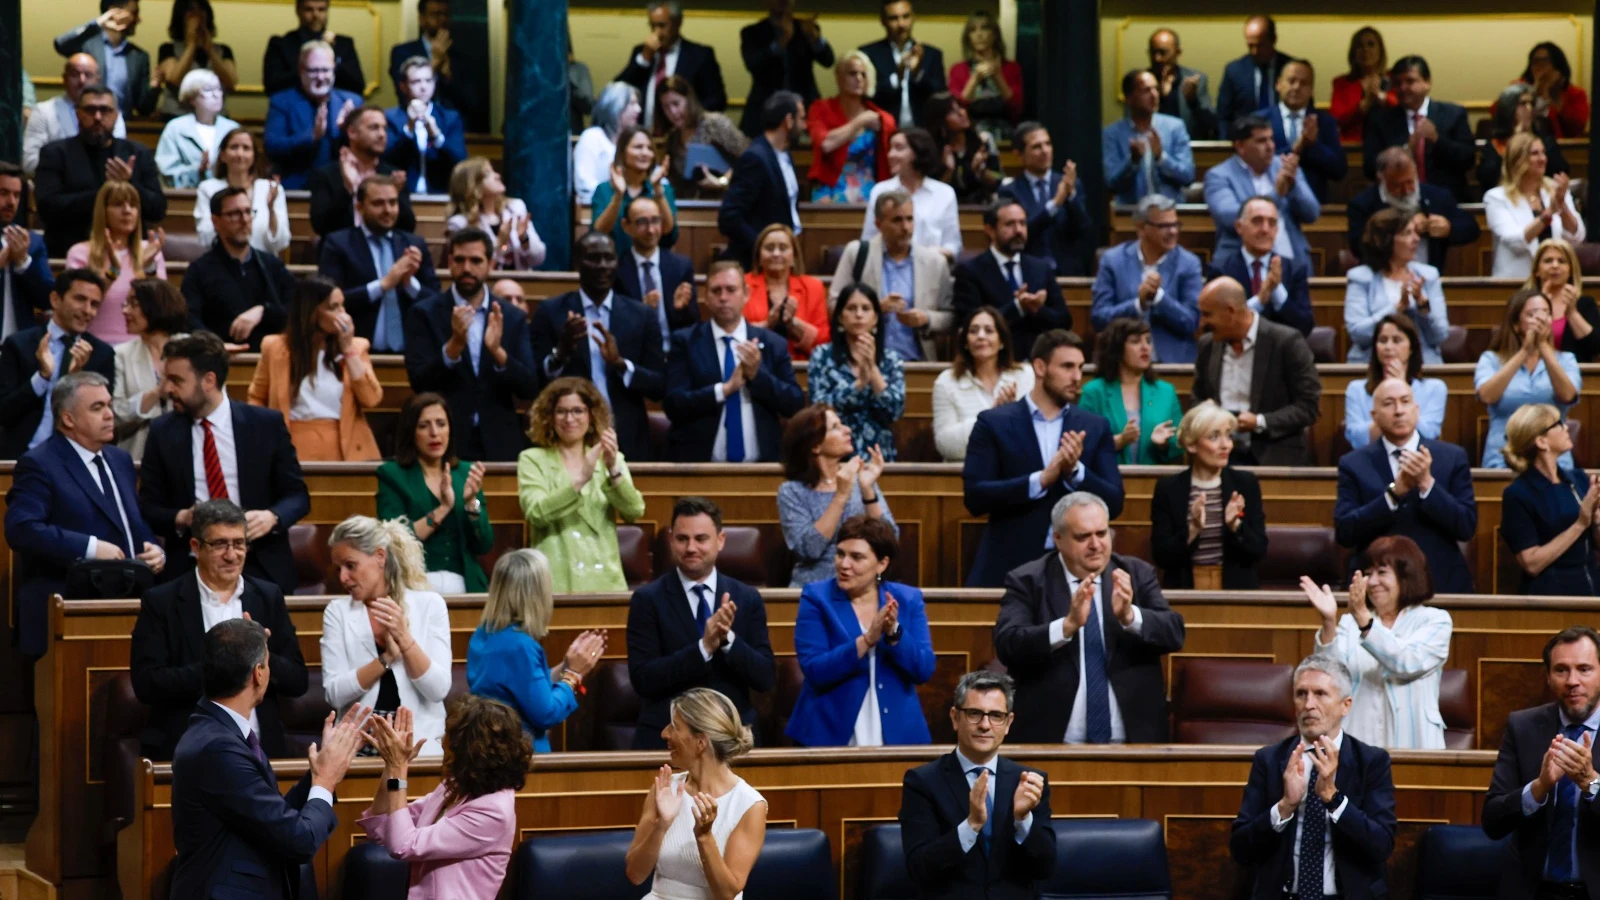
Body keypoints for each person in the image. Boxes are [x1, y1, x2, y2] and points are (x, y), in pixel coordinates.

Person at [167, 619, 368, 899]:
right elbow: (299, 840)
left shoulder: (218, 733)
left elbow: (269, 819)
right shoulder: (218, 747)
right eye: (268, 662)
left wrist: (319, 773)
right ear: (258, 674)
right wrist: (325, 781)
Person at [992, 492, 1186, 742]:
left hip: (1134, 741)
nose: (1096, 545)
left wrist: (1130, 616)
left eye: (1102, 533)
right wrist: (1066, 626)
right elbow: (1008, 644)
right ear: (1058, 539)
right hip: (1049, 743)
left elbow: (1174, 633)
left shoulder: (1136, 574)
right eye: (1083, 537)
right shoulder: (1028, 580)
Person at [129, 499, 306, 761]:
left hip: (259, 750)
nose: (231, 555)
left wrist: (261, 657)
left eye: (239, 543)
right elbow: (147, 683)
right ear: (195, 547)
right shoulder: (162, 601)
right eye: (220, 544)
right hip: (187, 749)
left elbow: (297, 680)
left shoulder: (268, 597)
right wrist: (224, 666)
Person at [4, 370, 162, 656]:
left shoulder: (120, 459)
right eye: (97, 407)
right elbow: (22, 529)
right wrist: (89, 547)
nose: (110, 414)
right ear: (68, 419)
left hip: (126, 604)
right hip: (67, 608)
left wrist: (153, 549)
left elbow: (131, 521)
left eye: (109, 405)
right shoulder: (39, 463)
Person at [140, 331, 310, 595]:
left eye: (176, 380)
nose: (167, 389)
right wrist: (182, 517)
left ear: (209, 380)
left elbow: (298, 496)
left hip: (260, 563)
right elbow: (148, 508)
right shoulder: (162, 432)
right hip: (191, 567)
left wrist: (272, 517)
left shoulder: (265, 424)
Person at [962, 330, 1123, 588]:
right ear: (1040, 367)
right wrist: (1040, 480)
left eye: (1080, 367)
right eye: (1067, 367)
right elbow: (975, 496)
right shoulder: (994, 422)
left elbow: (1115, 502)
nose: (1077, 377)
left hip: (1079, 571)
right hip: (1010, 565)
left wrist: (1076, 472)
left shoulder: (1094, 426)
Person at [1229, 656, 1397, 900]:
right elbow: (1241, 849)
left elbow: (1381, 845)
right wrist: (1284, 807)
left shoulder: (1371, 762)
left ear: (1345, 705)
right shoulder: (1270, 760)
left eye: (1320, 694)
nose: (1309, 704)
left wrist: (1333, 798)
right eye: (1301, 694)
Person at [627, 497, 776, 749]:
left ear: (721, 540)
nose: (691, 547)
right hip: (668, 737)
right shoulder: (647, 600)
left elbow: (765, 677)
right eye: (682, 539)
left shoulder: (746, 598)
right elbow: (644, 679)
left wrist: (727, 640)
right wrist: (704, 647)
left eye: (701, 539)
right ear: (671, 540)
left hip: (731, 739)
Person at [899, 670, 1055, 899]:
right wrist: (971, 825)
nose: (985, 725)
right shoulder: (923, 782)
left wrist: (1023, 820)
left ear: (1008, 722)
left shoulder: (1029, 781)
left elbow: (1046, 868)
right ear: (955, 717)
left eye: (995, 715)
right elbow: (919, 868)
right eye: (974, 714)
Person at [787, 514, 932, 746]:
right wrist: (867, 640)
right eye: (841, 554)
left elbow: (923, 669)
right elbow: (815, 669)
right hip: (830, 729)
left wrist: (894, 631)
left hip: (897, 732)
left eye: (857, 557)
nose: (844, 564)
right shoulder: (817, 598)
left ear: (882, 564)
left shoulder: (908, 599)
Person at [358, 700, 525, 898]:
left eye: (451, 738)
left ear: (470, 750)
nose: (444, 742)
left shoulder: (493, 812)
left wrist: (398, 768)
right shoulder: (455, 787)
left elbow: (403, 845)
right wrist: (391, 766)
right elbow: (383, 821)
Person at [1300, 536, 1452, 749]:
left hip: (1416, 746)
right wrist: (1328, 623)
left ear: (1406, 576)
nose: (1372, 582)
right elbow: (1331, 677)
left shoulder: (1434, 621)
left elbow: (1406, 662)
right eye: (1368, 573)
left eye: (1382, 572)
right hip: (1360, 744)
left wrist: (1364, 620)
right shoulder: (1349, 623)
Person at [404, 228, 539, 462]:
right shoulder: (424, 313)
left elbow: (529, 387)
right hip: (446, 443)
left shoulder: (511, 316)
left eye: (476, 260)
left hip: (500, 441)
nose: (467, 268)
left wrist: (498, 353)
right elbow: (419, 382)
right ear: (449, 262)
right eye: (459, 260)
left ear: (491, 264)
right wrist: (453, 348)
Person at [1483, 626, 1600, 895]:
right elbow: (1492, 822)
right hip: (1533, 891)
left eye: (1584, 669)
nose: (1572, 680)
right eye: (1561, 670)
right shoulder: (1522, 726)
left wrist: (1590, 783)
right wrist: (1538, 788)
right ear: (1548, 677)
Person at [322, 515, 452, 755]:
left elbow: (438, 690)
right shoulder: (337, 612)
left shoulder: (429, 605)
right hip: (356, 746)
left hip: (418, 745)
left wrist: (404, 639)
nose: (342, 578)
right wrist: (386, 659)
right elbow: (334, 693)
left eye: (351, 565)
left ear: (380, 557)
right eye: (339, 568)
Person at [1335, 376, 1477, 594]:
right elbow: (1345, 532)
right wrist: (1393, 495)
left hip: (1440, 581)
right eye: (1388, 403)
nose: (1399, 410)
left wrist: (1427, 484)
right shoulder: (1353, 464)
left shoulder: (1451, 457)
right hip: (1377, 586)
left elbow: (1466, 526)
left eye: (1405, 401)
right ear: (1374, 416)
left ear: (1417, 409)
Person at [531, 231, 665, 462]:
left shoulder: (641, 316)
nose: (603, 265)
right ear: (577, 263)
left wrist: (620, 364)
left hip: (627, 438)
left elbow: (658, 386)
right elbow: (534, 382)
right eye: (594, 258)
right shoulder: (551, 312)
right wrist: (561, 353)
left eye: (609, 258)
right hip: (566, 439)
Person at [622, 688, 768, 899]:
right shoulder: (664, 789)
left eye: (675, 727)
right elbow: (635, 875)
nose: (664, 733)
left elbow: (727, 894)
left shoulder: (749, 805)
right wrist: (661, 825)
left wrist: (705, 837)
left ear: (700, 742)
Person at [664, 261, 806, 463]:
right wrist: (724, 389)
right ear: (707, 297)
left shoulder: (772, 343)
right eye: (716, 291)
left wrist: (758, 375)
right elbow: (673, 405)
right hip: (698, 466)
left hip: (762, 468)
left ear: (746, 294)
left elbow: (795, 404)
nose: (723, 298)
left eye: (731, 290)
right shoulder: (685, 342)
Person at [517, 377, 646, 593]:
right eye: (561, 411)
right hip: (556, 580)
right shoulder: (532, 459)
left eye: (578, 411)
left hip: (605, 581)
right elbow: (536, 513)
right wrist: (581, 479)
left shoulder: (612, 458)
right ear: (549, 417)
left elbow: (634, 511)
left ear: (591, 416)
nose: (570, 419)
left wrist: (613, 469)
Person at [467, 550, 606, 750]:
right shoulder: (520, 646)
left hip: (491, 752)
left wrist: (566, 665)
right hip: (519, 757)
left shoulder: (484, 634)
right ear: (536, 595)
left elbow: (522, 688)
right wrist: (573, 676)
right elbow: (546, 713)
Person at [247, 276, 381, 462]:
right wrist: (265, 438)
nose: (343, 315)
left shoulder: (357, 348)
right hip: (291, 446)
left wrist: (348, 349)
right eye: (333, 307)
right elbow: (256, 398)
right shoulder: (275, 348)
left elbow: (371, 399)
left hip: (346, 449)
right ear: (310, 312)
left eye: (343, 306)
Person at [1193, 277, 1322, 467]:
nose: (1202, 323)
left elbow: (1309, 406)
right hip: (1219, 455)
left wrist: (1260, 422)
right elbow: (1198, 398)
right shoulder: (1207, 345)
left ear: (1230, 312)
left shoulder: (1286, 342)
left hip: (1273, 454)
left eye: (1207, 315)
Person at [377, 392, 494, 594]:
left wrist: (470, 502)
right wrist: (443, 509)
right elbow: (394, 542)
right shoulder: (392, 475)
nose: (434, 433)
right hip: (414, 585)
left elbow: (483, 544)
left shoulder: (466, 473)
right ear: (411, 432)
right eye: (424, 426)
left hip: (465, 583)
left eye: (441, 424)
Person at [34, 84, 167, 259]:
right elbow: (47, 207)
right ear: (77, 114)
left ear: (116, 115)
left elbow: (157, 209)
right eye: (90, 110)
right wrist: (105, 192)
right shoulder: (55, 153)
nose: (97, 117)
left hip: (129, 256)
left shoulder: (138, 154)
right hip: (70, 252)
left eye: (105, 110)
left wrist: (129, 184)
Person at [0, 270, 116, 460]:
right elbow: (4, 412)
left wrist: (77, 379)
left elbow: (104, 422)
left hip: (75, 461)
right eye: (80, 299)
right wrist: (42, 377)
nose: (88, 310)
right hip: (21, 458)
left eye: (94, 304)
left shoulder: (101, 354)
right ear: (55, 299)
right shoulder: (19, 344)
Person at [1150, 401, 1266, 590]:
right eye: (1214, 437)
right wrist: (1193, 529)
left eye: (1228, 436)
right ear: (1192, 444)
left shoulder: (1245, 484)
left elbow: (1259, 550)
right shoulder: (1168, 488)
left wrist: (1235, 525)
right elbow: (1162, 557)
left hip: (1236, 591)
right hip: (1186, 589)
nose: (1225, 445)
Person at [778, 405, 896, 586]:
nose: (847, 430)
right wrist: (840, 496)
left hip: (863, 585)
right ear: (815, 445)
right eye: (835, 427)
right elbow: (810, 549)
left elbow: (890, 540)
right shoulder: (792, 492)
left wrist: (867, 489)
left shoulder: (861, 480)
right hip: (813, 587)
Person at [318, 175, 439, 352]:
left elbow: (436, 302)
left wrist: (409, 284)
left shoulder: (414, 244)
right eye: (378, 203)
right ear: (359, 207)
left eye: (393, 203)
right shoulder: (338, 244)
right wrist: (382, 285)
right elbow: (328, 301)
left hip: (411, 354)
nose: (388, 210)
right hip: (354, 349)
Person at [828, 190, 953, 362]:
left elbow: (951, 316)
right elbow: (834, 306)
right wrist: (873, 309)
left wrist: (926, 318)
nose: (906, 228)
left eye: (910, 219)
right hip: (864, 360)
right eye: (897, 220)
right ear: (879, 224)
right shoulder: (856, 253)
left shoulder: (935, 263)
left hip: (917, 361)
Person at [952, 198, 1070, 364]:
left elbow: (1064, 320)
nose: (1019, 230)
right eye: (1010, 224)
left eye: (1022, 224)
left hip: (1038, 361)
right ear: (990, 230)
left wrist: (1037, 309)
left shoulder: (1041, 268)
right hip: (992, 362)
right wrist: (1017, 307)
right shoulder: (971, 271)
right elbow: (969, 325)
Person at [1500, 403, 1600, 595]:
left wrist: (1595, 521)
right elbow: (1531, 563)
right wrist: (1580, 523)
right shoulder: (1518, 494)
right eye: (1558, 424)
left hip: (1591, 586)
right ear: (1541, 442)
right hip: (1550, 594)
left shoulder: (1578, 479)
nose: (1566, 427)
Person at [1090, 194, 1203, 363]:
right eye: (1164, 225)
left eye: (1175, 224)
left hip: (1172, 364)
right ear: (1141, 228)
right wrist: (1138, 304)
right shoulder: (1113, 261)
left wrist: (1159, 298)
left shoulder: (1189, 263)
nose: (1173, 231)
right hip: (1120, 363)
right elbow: (1099, 318)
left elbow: (1191, 322)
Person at [1476, 288, 1580, 469]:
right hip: (1503, 457)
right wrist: (1524, 352)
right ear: (1516, 324)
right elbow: (1487, 396)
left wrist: (1543, 347)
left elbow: (1568, 395)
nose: (1540, 320)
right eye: (1532, 314)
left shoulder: (1566, 359)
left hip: (1554, 459)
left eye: (1546, 314)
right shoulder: (1491, 359)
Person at [182, 185, 294, 352]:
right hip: (220, 360)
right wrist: (216, 347)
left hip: (271, 358)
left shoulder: (271, 265)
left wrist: (263, 311)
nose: (244, 219)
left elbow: (296, 308)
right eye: (234, 214)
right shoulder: (199, 271)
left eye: (248, 212)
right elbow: (190, 321)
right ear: (215, 221)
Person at [807, 285, 905, 461]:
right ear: (840, 317)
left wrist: (873, 371)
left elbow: (895, 411)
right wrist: (859, 384)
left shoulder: (891, 359)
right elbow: (819, 408)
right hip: (835, 455)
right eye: (851, 308)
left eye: (866, 309)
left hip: (878, 454)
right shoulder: (822, 356)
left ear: (875, 318)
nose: (859, 314)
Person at [1205, 114, 1319, 264]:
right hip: (1241, 266)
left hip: (1292, 261)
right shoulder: (1219, 175)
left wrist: (1293, 186)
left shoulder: (1285, 167)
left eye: (1271, 139)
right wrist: (1276, 194)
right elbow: (1231, 217)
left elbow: (1312, 214)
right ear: (1240, 146)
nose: (1270, 147)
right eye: (1261, 141)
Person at [1362, 55, 1476, 202]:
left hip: (1446, 201)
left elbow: (1468, 160)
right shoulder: (1381, 120)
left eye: (1410, 81)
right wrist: (1404, 151)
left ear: (1427, 82)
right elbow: (1370, 168)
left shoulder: (1453, 114)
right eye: (1397, 83)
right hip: (1396, 202)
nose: (1403, 88)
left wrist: (1437, 140)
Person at [1348, 146, 1479, 273]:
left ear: (1415, 171)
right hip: (1381, 279)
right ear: (1381, 179)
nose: (1406, 190)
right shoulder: (1363, 204)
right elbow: (1358, 247)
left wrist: (1448, 228)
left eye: (1410, 182)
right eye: (1397, 185)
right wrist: (1402, 228)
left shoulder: (1437, 196)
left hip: (1428, 279)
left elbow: (1471, 228)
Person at [67, 180, 166, 346]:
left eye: (133, 205)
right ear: (103, 211)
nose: (127, 211)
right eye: (118, 205)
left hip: (139, 348)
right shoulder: (80, 253)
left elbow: (161, 308)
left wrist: (147, 267)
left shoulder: (150, 250)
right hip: (93, 347)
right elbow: (82, 306)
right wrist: (113, 271)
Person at [1345, 209, 1450, 364]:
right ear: (1386, 240)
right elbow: (1358, 334)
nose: (1416, 239)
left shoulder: (1428, 276)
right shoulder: (1361, 278)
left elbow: (1439, 336)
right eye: (1407, 233)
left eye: (1416, 233)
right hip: (1372, 367)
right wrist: (1397, 307)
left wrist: (1423, 306)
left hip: (1422, 367)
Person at [932, 306, 1033, 462]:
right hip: (965, 473)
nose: (981, 336)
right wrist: (992, 416)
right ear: (965, 342)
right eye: (973, 331)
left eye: (989, 330)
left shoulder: (1023, 375)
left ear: (1002, 341)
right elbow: (945, 444)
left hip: (1014, 469)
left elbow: (1032, 434)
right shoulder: (946, 381)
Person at [718, 92, 805, 268]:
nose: (805, 125)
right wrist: (762, 246)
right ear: (788, 121)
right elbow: (729, 217)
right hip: (755, 264)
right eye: (802, 118)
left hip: (781, 258)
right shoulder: (755, 158)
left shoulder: (784, 154)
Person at [1079, 317, 1183, 465]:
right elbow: (1084, 445)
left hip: (1153, 482)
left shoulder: (1166, 392)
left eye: (1148, 341)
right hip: (1107, 480)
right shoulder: (1094, 391)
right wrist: (1119, 441)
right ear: (1117, 348)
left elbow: (1179, 446)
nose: (1145, 347)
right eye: (1135, 341)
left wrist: (1163, 444)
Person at [1209, 194, 1314, 337]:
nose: (1265, 229)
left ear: (1277, 230)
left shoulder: (1294, 269)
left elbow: (1305, 326)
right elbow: (1216, 324)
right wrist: (1259, 300)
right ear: (1239, 227)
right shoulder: (1221, 270)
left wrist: (1277, 290)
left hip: (1281, 354)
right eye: (1257, 221)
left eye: (1272, 223)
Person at [307, 105, 419, 238]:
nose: (382, 135)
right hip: (342, 253)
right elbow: (320, 226)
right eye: (374, 128)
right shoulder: (326, 174)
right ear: (352, 132)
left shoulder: (391, 174)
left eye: (384, 128)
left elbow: (408, 227)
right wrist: (348, 189)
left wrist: (396, 194)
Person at [1486, 132, 1586, 280]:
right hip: (1515, 282)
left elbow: (1577, 236)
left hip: (1554, 281)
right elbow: (1516, 241)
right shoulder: (1496, 198)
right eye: (1535, 154)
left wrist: (1562, 206)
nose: (1543, 159)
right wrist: (1549, 213)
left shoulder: (1554, 190)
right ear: (1518, 160)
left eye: (1543, 153)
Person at [264, 41, 363, 190]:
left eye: (325, 70)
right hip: (298, 188)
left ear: (334, 70)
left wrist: (348, 132)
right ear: (301, 70)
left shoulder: (352, 101)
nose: (320, 77)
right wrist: (311, 136)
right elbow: (272, 147)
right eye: (313, 70)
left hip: (343, 188)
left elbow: (366, 151)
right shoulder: (281, 101)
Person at [998, 122, 1093, 276]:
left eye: (1048, 144)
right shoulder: (1010, 191)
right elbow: (1019, 233)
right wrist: (1055, 204)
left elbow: (1084, 229)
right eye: (1037, 147)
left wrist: (1070, 197)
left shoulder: (1068, 183)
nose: (1045, 151)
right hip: (1028, 272)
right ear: (1019, 155)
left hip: (1068, 271)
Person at [617, 0, 729, 131]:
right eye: (652, 26)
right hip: (645, 137)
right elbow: (619, 91)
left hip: (685, 137)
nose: (657, 32)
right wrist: (644, 59)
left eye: (662, 25)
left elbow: (717, 100)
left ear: (678, 23)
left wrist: (688, 117)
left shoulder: (700, 55)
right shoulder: (642, 52)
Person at [1341, 314, 1448, 450]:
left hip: (1417, 459)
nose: (1388, 347)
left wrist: (1400, 386)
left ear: (1411, 348)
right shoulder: (1356, 389)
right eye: (1383, 340)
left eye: (1397, 340)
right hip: (1371, 462)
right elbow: (1357, 439)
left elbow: (1428, 435)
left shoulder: (1435, 388)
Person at [807, 51, 895, 204]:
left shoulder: (881, 118)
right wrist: (860, 121)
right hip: (830, 186)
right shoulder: (820, 109)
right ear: (838, 78)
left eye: (863, 74)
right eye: (852, 73)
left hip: (869, 189)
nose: (859, 79)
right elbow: (826, 144)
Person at [862, 127, 962, 260]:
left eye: (899, 148)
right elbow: (868, 240)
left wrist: (929, 255)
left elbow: (953, 245)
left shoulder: (944, 193)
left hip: (931, 268)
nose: (891, 155)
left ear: (918, 152)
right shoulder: (880, 190)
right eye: (890, 148)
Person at [112, 278, 186, 458]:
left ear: (157, 306)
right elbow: (115, 416)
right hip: (137, 459)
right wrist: (157, 393)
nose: (125, 310)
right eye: (125, 303)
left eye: (133, 304)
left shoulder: (192, 348)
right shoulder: (119, 354)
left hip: (187, 455)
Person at [738, 0, 835, 136]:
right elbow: (753, 65)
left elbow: (828, 61)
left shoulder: (805, 28)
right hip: (764, 107)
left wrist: (814, 39)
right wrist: (782, 41)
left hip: (804, 107)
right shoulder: (752, 32)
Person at [617, 196, 699, 354]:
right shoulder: (618, 269)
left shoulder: (680, 266)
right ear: (626, 226)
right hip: (636, 353)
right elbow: (616, 325)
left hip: (675, 353)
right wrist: (641, 311)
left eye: (655, 221)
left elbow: (693, 322)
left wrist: (681, 309)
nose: (650, 230)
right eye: (642, 222)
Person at [389, 0, 486, 133]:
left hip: (454, 129)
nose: (443, 19)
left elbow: (473, 102)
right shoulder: (403, 52)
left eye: (446, 14)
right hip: (414, 125)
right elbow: (403, 93)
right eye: (436, 14)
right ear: (422, 19)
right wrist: (434, 66)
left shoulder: (462, 57)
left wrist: (448, 77)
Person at [23, 54, 127, 178]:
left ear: (98, 79)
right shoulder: (43, 112)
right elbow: (28, 163)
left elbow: (117, 157)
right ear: (64, 78)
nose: (82, 80)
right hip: (57, 186)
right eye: (75, 74)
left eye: (88, 75)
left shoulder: (111, 113)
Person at [194, 129, 291, 257]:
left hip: (264, 267)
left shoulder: (270, 188)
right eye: (234, 147)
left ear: (254, 156)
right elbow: (205, 238)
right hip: (222, 265)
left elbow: (281, 243)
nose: (240, 154)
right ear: (222, 155)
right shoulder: (208, 189)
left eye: (246, 148)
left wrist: (271, 210)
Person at [53, 0, 157, 119]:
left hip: (121, 128)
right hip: (83, 124)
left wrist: (155, 87)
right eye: (134, 13)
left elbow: (144, 108)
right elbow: (60, 44)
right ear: (114, 12)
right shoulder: (87, 46)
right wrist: (98, 22)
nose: (138, 19)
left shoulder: (139, 57)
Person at [1103, 70, 1194, 205]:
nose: (1154, 95)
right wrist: (1133, 162)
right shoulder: (1112, 134)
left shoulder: (1175, 127)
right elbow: (1111, 183)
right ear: (1129, 97)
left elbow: (1188, 176)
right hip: (1131, 214)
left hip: (1170, 212)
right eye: (1146, 90)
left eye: (1156, 89)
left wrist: (1161, 158)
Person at [1261, 60, 1346, 202]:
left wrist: (1314, 146)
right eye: (1291, 81)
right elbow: (1255, 162)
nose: (1296, 87)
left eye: (1304, 83)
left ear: (1311, 90)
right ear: (1278, 84)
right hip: (1269, 202)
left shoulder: (1325, 121)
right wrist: (1296, 148)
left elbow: (1339, 170)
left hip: (1313, 206)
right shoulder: (1260, 121)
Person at [743, 223, 829, 361]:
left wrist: (793, 324)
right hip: (754, 364)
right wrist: (766, 325)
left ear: (794, 256)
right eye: (769, 248)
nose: (776, 253)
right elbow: (733, 331)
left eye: (783, 248)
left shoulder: (813, 287)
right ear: (759, 257)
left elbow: (823, 341)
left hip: (800, 367)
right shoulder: (743, 285)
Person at [590, 125, 679, 258]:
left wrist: (657, 189)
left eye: (649, 148)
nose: (645, 153)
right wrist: (618, 196)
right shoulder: (604, 190)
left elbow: (668, 232)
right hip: (614, 266)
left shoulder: (663, 190)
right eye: (638, 147)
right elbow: (598, 234)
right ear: (623, 152)